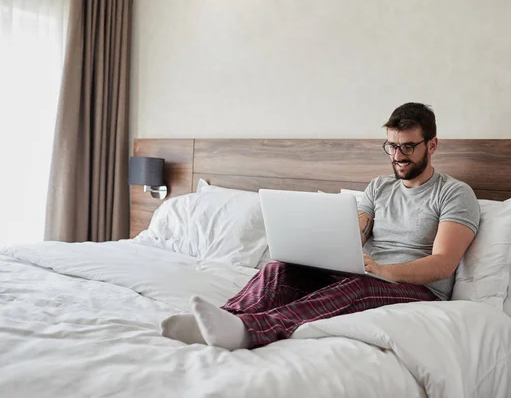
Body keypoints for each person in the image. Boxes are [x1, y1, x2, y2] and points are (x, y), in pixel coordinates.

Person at [160, 102, 481, 350]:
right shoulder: (380, 187)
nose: (397, 156)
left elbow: (443, 264)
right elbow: (358, 228)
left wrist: (386, 271)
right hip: (367, 273)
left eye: (407, 147)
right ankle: (223, 319)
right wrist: (335, 246)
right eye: (391, 146)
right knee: (279, 269)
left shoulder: (454, 193)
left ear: (433, 145)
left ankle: (253, 330)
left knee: (359, 287)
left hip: (419, 291)